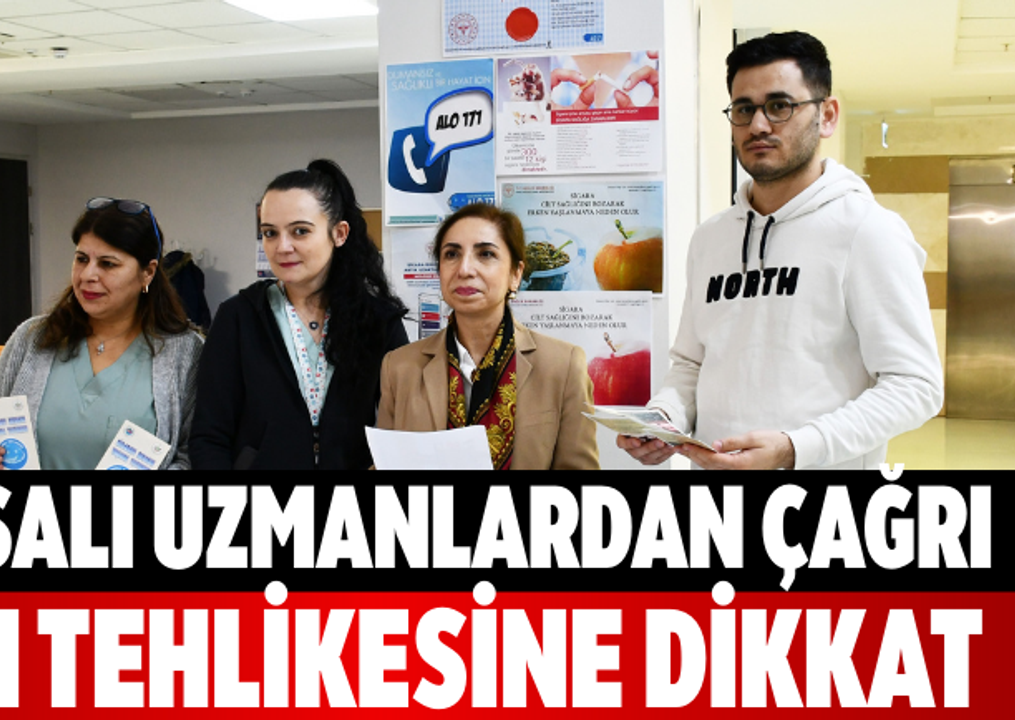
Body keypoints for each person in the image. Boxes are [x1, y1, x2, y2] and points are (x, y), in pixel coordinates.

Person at [619, 31, 942, 470]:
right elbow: (692, 364)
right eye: (743, 109)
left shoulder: (868, 231)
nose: (758, 125)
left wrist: (796, 448)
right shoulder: (711, 238)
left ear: (827, 116)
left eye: (779, 106)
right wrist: (665, 417)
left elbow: (915, 385)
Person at [190, 159, 408, 469]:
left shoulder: (378, 321)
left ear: (339, 233)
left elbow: (402, 432)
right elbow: (209, 436)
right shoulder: (238, 317)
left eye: (300, 231)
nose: (282, 247)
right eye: (270, 233)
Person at [0, 198, 203, 469]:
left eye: (108, 264)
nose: (88, 275)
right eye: (81, 259)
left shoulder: (184, 353)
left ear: (147, 272)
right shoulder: (32, 338)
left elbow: (193, 456)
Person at [377, 203, 599, 470]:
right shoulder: (399, 367)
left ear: (516, 274)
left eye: (485, 254)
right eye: (451, 254)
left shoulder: (563, 365)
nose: (464, 269)